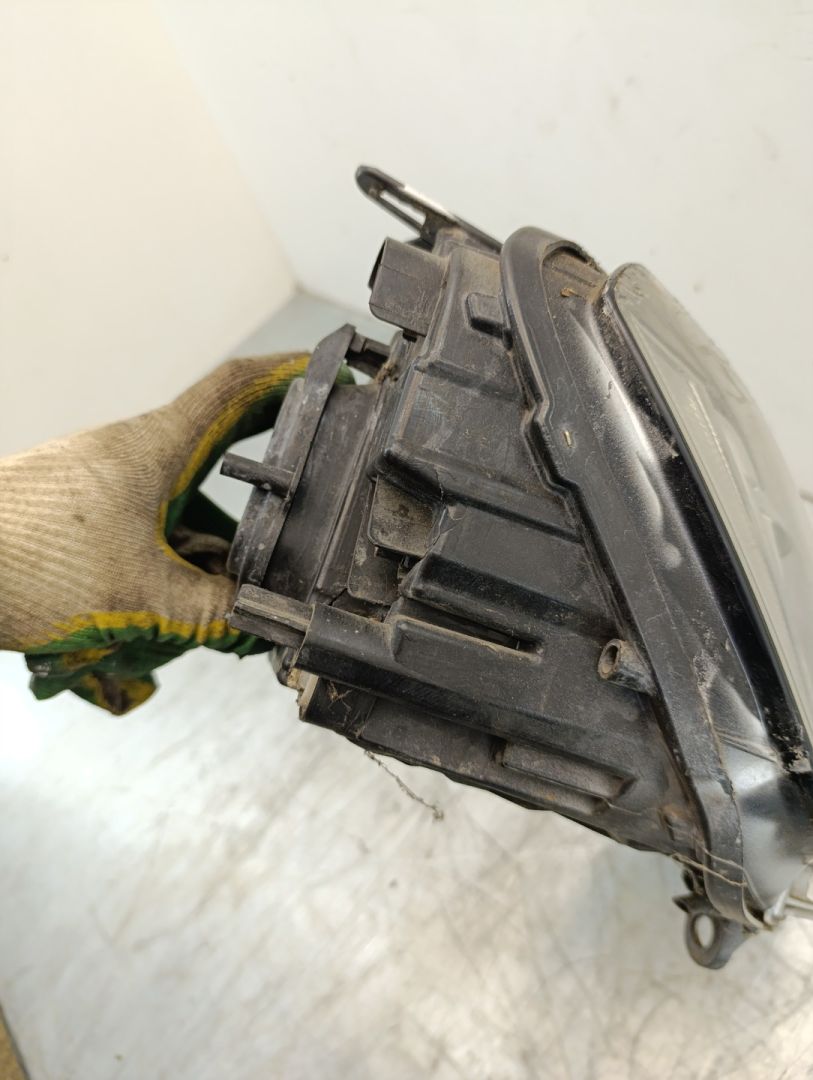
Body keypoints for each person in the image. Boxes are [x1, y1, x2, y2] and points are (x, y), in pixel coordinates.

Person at [0, 352, 311, 715]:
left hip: (92, 489)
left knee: (261, 599)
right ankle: (84, 668)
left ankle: (86, 668)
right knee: (262, 612)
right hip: (69, 613)